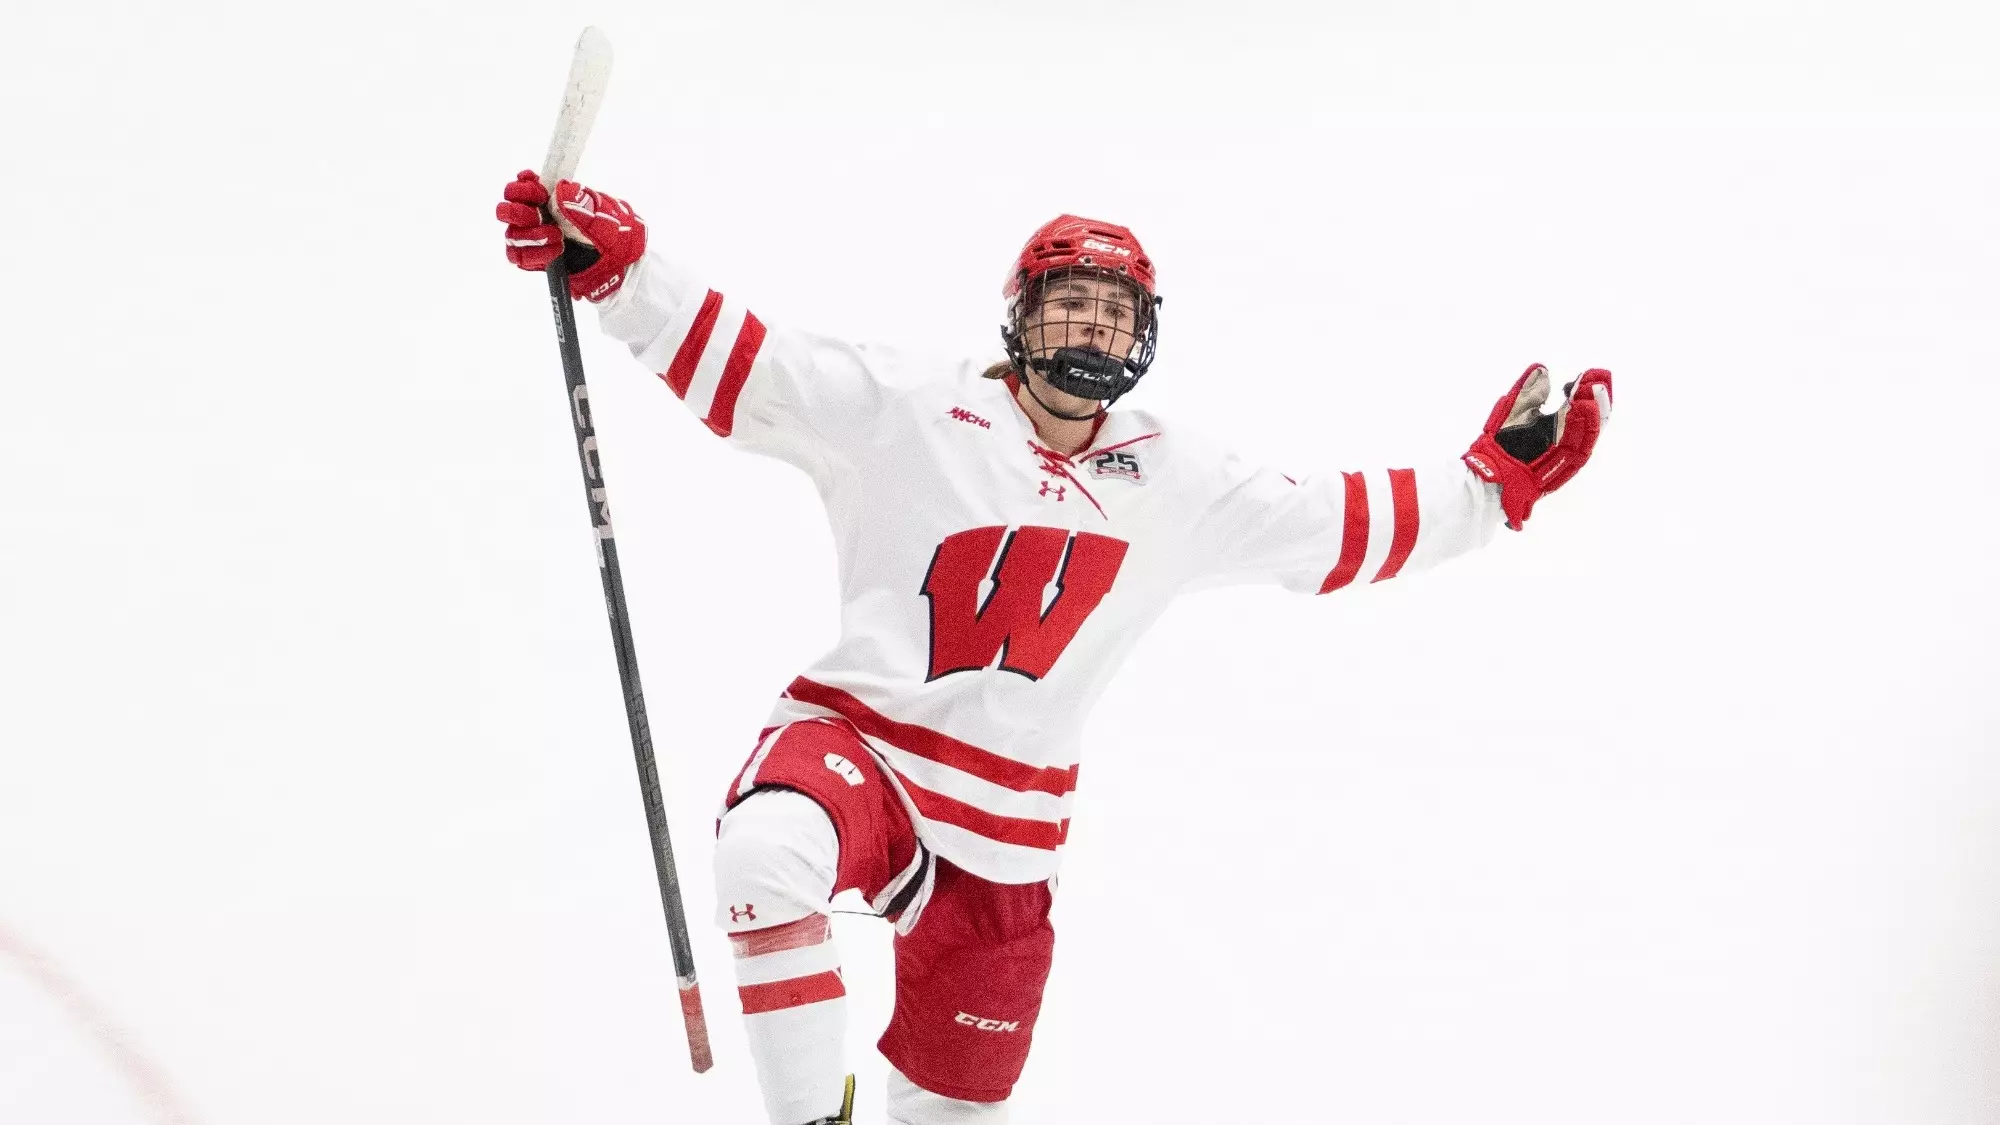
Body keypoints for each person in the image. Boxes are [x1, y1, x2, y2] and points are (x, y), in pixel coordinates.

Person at [495, 170, 1613, 1125]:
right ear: (1018, 316)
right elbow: (748, 363)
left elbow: (1336, 523)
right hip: (864, 753)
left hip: (1007, 835)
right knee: (764, 854)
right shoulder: (908, 406)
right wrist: (615, 271)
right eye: (1068, 304)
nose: (1090, 331)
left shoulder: (1177, 480)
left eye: (1114, 313)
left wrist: (1489, 489)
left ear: (1147, 333)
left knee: (957, 1104)